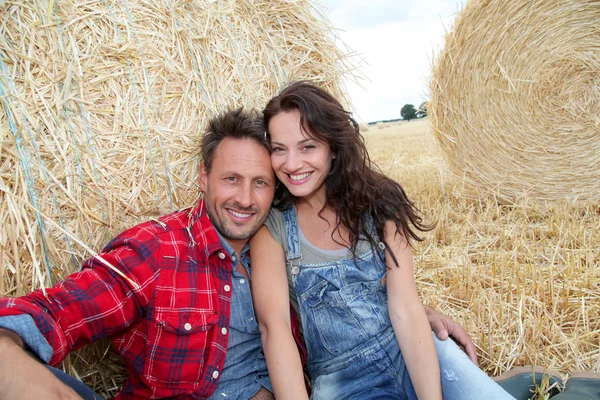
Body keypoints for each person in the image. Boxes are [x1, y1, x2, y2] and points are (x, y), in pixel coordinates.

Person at [0, 108, 475, 400]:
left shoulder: (281, 250)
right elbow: (56, 313)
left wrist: (413, 307)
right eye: (231, 179)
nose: (245, 198)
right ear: (203, 178)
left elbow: (335, 299)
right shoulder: (157, 252)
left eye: (261, 182)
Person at [250, 81, 516, 399]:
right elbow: (274, 329)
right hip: (343, 380)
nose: (292, 164)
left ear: (333, 148)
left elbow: (405, 309)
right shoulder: (273, 227)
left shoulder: (380, 204)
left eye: (308, 147)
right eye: (279, 149)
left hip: (412, 353)